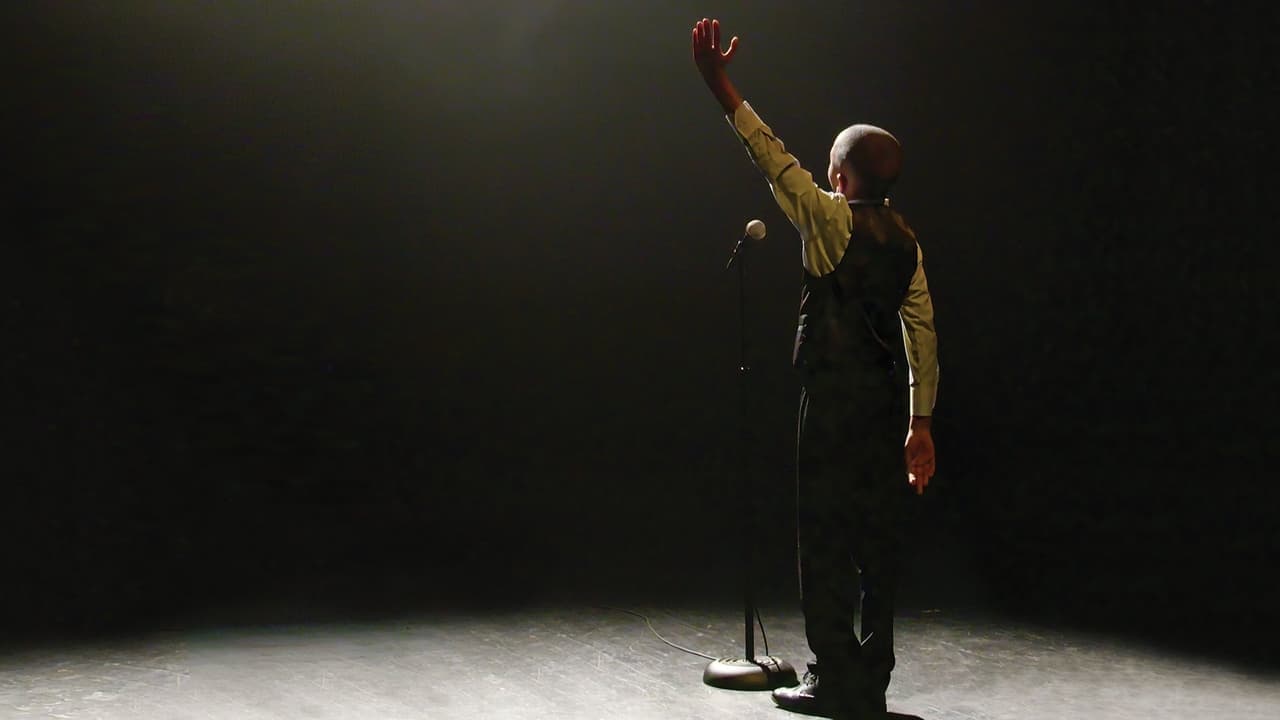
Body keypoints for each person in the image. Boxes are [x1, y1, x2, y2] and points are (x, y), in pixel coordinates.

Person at [691, 18, 939, 720]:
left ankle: (834, 681)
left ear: (837, 176)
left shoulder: (829, 220)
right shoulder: (908, 243)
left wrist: (720, 85)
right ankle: (873, 681)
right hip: (886, 404)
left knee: (825, 539)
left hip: (832, 403)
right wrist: (921, 424)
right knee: (876, 542)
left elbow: (771, 157)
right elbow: (922, 335)